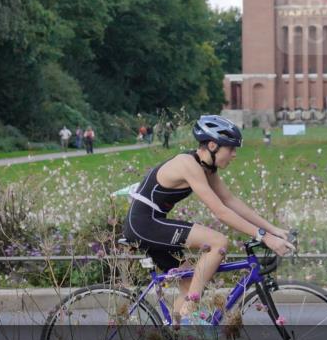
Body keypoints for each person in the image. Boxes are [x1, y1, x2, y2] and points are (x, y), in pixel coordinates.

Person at [123, 115, 294, 324]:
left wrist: (272, 229)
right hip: (144, 224)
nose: (234, 155)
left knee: (188, 283)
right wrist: (264, 237)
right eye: (230, 149)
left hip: (152, 223)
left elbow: (230, 201)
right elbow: (220, 212)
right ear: (213, 145)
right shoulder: (188, 164)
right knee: (218, 242)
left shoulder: (207, 168)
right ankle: (189, 316)